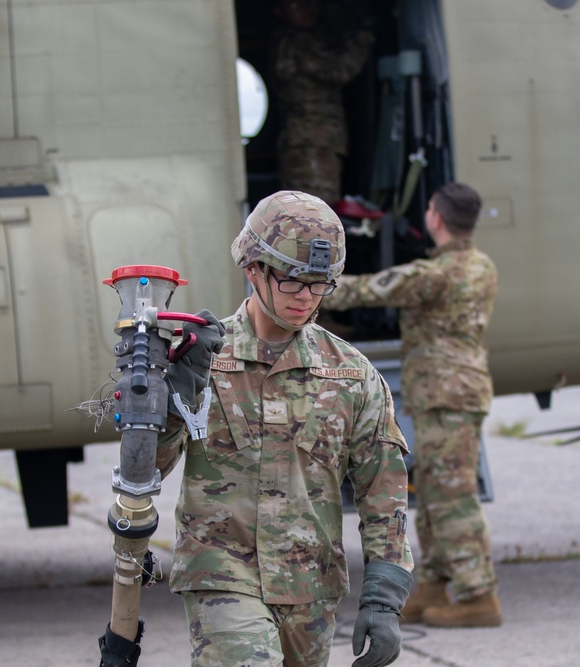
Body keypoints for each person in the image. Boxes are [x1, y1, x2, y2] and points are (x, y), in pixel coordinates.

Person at [157, 190, 414, 667]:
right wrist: (175, 393)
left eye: (320, 285)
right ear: (253, 269)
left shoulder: (351, 374)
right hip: (222, 573)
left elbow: (383, 491)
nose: (306, 298)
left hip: (310, 586)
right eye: (293, 281)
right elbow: (151, 466)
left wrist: (384, 598)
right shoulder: (202, 358)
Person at [324, 182, 501, 628]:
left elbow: (368, 289)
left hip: (445, 395)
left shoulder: (433, 274)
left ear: (436, 218)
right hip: (456, 393)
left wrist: (305, 284)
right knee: (436, 490)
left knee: (452, 496)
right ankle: (435, 584)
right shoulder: (482, 265)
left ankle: (478, 594)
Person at [270, 0, 374, 204]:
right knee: (317, 207)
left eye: (311, 2)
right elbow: (337, 70)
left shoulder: (301, 38)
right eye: (296, 5)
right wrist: (363, 38)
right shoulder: (298, 43)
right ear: (279, 12)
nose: (307, 9)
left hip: (313, 140)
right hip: (311, 143)